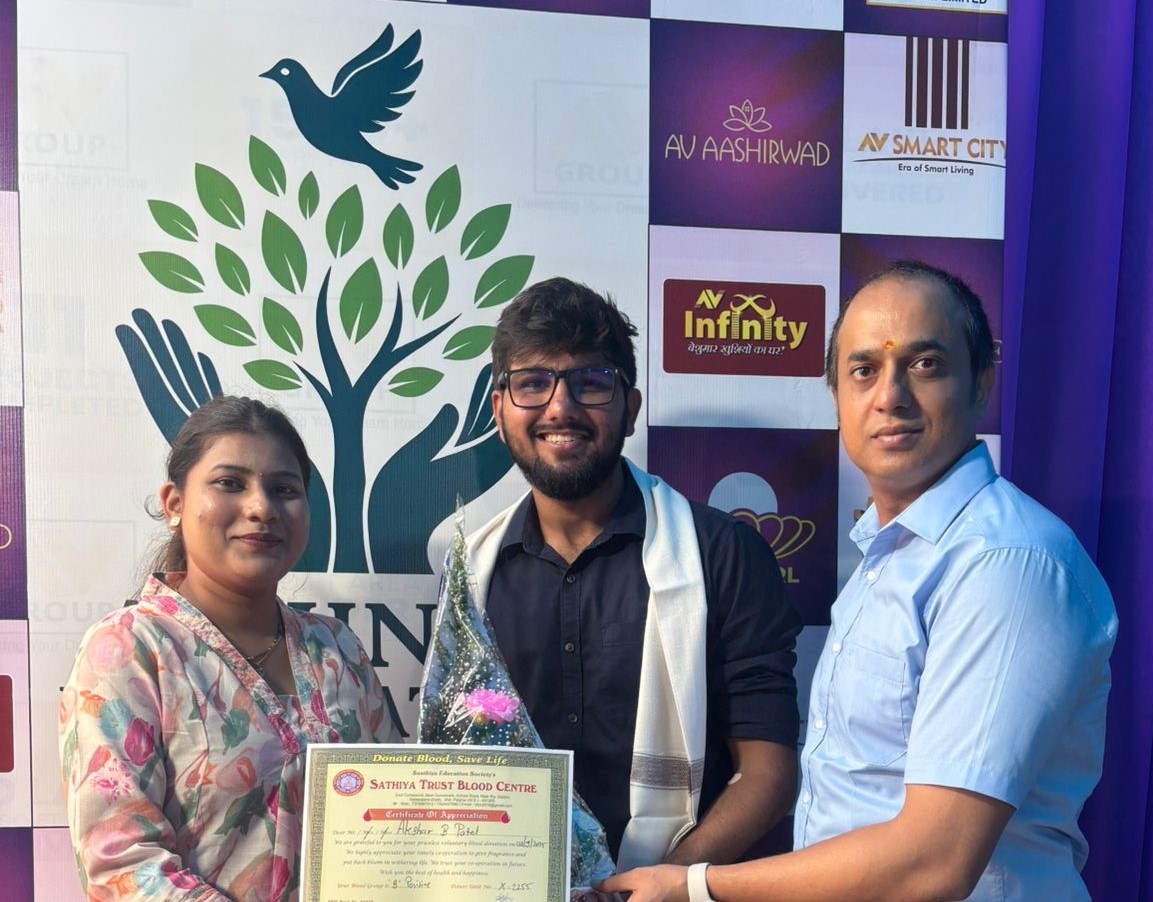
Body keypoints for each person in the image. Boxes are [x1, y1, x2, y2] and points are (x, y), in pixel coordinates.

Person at [601, 260, 1117, 901]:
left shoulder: (1007, 563)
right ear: (838, 396)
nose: (890, 395)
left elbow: (936, 859)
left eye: (926, 364)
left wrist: (697, 887)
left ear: (982, 382)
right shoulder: (891, 555)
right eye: (864, 370)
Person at [465, 277, 803, 873]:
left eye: (591, 382)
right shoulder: (472, 571)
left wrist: (670, 882)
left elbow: (767, 772)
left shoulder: (723, 554)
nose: (560, 407)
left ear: (631, 408)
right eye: (532, 383)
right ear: (499, 411)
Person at [59, 397, 399, 901]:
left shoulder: (336, 647)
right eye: (230, 483)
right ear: (174, 503)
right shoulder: (128, 651)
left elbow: (400, 808)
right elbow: (122, 866)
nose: (261, 507)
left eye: (284, 489)